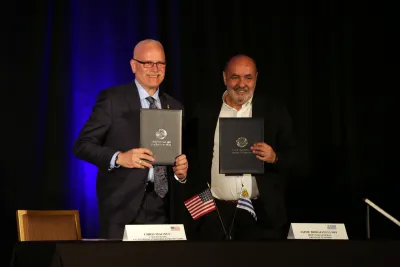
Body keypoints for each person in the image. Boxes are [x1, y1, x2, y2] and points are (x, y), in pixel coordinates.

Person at [73, 39, 188, 239]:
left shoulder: (175, 106)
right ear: (134, 65)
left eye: (160, 63)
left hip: (163, 207)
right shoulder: (112, 100)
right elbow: (82, 145)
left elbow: (176, 156)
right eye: (148, 63)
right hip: (122, 208)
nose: (155, 69)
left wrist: (180, 173)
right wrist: (119, 157)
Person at [184, 54, 296, 241]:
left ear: (256, 78)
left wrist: (274, 157)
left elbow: (297, 155)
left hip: (261, 216)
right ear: (224, 78)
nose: (241, 84)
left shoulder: (273, 110)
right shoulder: (204, 111)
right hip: (214, 215)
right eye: (235, 77)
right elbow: (192, 159)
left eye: (248, 77)